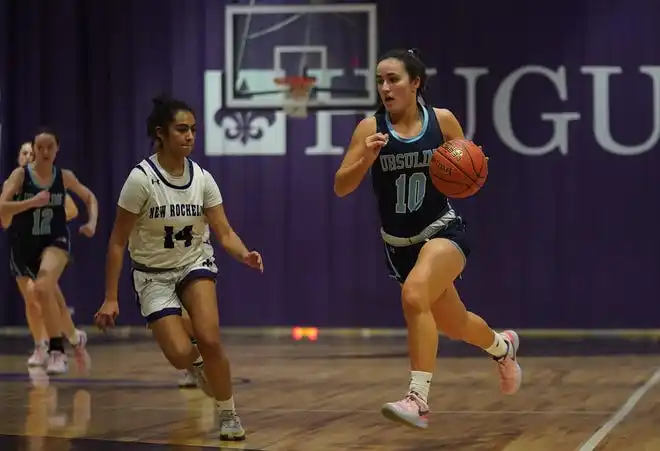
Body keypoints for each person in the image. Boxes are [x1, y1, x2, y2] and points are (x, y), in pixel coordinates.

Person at [333, 48, 522, 429]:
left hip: (441, 231)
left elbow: (466, 169)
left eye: (394, 79)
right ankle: (503, 348)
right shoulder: (370, 130)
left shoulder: (442, 121)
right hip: (398, 245)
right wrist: (364, 161)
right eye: (380, 81)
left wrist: (467, 174)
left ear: (415, 82)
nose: (385, 87)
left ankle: (417, 398)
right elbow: (341, 186)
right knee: (456, 324)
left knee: (414, 295)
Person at [94, 94, 263, 441]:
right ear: (162, 133)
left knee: (210, 336)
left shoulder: (202, 178)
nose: (189, 136)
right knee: (179, 355)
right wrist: (111, 297)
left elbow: (224, 232)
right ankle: (195, 363)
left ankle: (229, 413)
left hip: (193, 262)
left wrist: (244, 254)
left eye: (193, 130)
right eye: (181, 129)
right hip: (152, 274)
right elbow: (116, 241)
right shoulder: (141, 180)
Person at [0, 131, 98, 375]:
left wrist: (90, 223)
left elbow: (76, 207)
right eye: (29, 151)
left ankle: (57, 347)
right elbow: (4, 218)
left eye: (47, 148)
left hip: (53, 242)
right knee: (33, 301)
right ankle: (45, 344)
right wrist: (29, 206)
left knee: (43, 291)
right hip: (23, 246)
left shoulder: (59, 178)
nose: (36, 154)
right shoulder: (17, 180)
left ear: (55, 150)